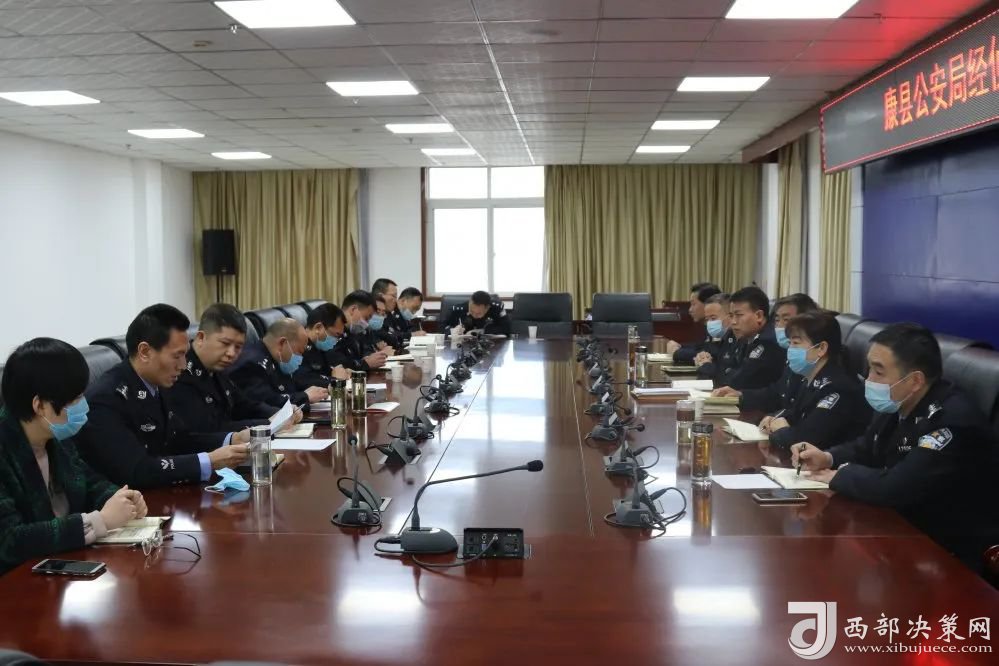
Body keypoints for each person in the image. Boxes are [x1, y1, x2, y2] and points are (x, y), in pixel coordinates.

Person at [793, 323, 999, 573]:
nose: (868, 379)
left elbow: (896, 486)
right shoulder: (901, 401)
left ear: (915, 381)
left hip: (947, 550)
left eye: (878, 371)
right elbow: (868, 446)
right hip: (903, 525)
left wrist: (839, 475)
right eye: (869, 368)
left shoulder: (951, 422)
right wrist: (827, 457)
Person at [0, 338, 148, 574]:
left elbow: (88, 480)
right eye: (75, 399)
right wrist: (100, 521)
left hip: (65, 563)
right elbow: (9, 540)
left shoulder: (55, 434)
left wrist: (120, 498)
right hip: (20, 580)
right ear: (40, 406)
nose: (83, 405)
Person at [76, 304, 251, 490]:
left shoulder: (157, 382)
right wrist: (209, 461)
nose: (183, 365)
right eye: (177, 356)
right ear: (145, 352)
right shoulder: (105, 399)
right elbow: (136, 470)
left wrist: (232, 439)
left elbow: (179, 440)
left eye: (185, 355)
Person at [170, 304, 297, 440]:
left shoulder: (217, 367)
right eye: (225, 343)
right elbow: (208, 429)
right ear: (201, 338)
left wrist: (281, 413)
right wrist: (266, 423)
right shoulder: (179, 372)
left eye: (238, 347)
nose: (231, 353)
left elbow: (243, 405)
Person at [751, 311, 869, 449]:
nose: (790, 350)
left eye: (796, 343)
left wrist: (780, 431)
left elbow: (806, 440)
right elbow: (793, 414)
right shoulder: (809, 378)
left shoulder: (838, 389)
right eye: (790, 343)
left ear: (821, 348)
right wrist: (772, 419)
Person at [715, 293, 820, 412]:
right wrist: (741, 396)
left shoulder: (771, 344)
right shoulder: (791, 355)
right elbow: (778, 392)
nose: (779, 326)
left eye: (786, 320)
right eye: (777, 320)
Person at [228, 317, 329, 410]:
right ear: (282, 343)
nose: (301, 358)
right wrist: (305, 396)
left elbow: (291, 387)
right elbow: (267, 403)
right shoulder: (251, 364)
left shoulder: (274, 359)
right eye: (299, 352)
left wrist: (319, 390)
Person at [696, 286, 783, 390]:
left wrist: (708, 367)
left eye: (739, 315)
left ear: (759, 316)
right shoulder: (746, 338)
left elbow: (735, 382)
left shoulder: (768, 342)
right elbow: (726, 371)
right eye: (731, 316)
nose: (733, 322)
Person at [329, 290, 388, 372]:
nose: (366, 324)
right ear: (353, 309)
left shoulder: (354, 331)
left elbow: (363, 353)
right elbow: (336, 363)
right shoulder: (332, 328)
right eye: (366, 318)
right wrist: (366, 363)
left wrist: (369, 358)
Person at [294, 303, 350, 388]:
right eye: (336, 335)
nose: (336, 340)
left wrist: (343, 372)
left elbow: (325, 372)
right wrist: (336, 380)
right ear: (318, 328)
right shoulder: (298, 348)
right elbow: (305, 380)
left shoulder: (318, 347)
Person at [668, 282, 722, 364]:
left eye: (693, 304)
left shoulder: (719, 327)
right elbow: (700, 346)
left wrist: (676, 352)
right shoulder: (708, 326)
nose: (690, 310)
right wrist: (679, 346)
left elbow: (711, 353)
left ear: (708, 304)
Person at [446, 290, 511, 337]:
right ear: (469, 302)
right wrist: (452, 331)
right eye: (471, 311)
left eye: (479, 313)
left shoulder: (496, 308)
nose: (474, 315)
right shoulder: (459, 309)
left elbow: (506, 328)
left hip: (490, 345)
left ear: (487, 308)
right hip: (463, 346)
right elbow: (442, 327)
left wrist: (483, 331)